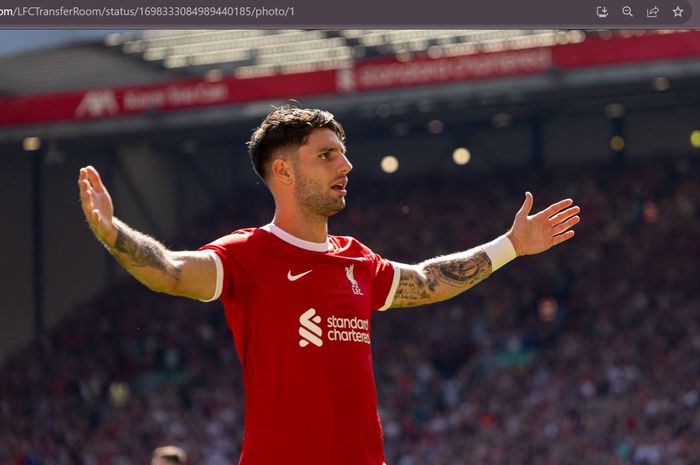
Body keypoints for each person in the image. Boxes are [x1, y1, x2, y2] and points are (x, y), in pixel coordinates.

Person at [78, 106, 580, 465]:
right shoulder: (247, 255)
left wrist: (510, 245)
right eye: (327, 156)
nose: (346, 166)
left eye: (342, 154)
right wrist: (111, 233)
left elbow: (429, 281)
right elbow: (168, 270)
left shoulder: (356, 259)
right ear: (283, 171)